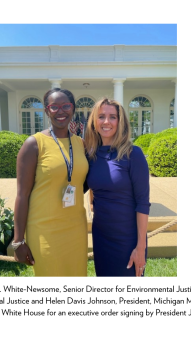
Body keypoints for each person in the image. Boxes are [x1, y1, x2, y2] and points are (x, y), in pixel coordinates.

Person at [12, 88, 89, 277]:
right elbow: (22, 195)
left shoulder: (81, 144)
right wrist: (18, 241)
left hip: (76, 227)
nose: (60, 111)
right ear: (47, 111)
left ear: (73, 109)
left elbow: (83, 183)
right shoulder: (34, 144)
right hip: (44, 230)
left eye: (66, 106)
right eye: (54, 107)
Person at [84, 97, 151, 277]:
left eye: (112, 117)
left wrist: (140, 247)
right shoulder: (91, 155)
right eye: (101, 116)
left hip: (127, 239)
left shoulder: (132, 154)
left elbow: (143, 203)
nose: (106, 121)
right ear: (94, 121)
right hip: (101, 236)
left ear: (120, 122)